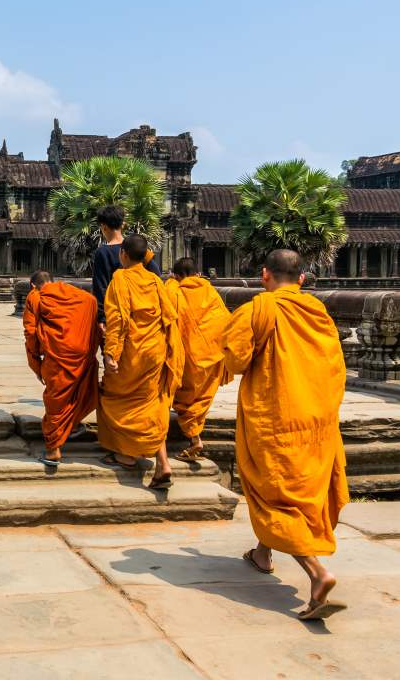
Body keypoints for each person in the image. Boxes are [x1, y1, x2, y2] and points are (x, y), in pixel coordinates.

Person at [223, 249, 349, 621]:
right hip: (316, 420)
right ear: (302, 280)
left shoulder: (256, 310)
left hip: (274, 418)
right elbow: (335, 367)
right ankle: (263, 554)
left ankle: (317, 573)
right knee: (287, 493)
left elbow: (235, 362)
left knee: (275, 494)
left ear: (264, 275)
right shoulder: (318, 313)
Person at [98, 235, 183, 489]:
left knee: (116, 399)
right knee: (153, 403)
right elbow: (169, 317)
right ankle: (163, 463)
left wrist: (111, 352)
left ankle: (126, 453)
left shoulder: (120, 280)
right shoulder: (156, 281)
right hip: (155, 351)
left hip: (131, 354)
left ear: (122, 253)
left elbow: (118, 320)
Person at [22, 270, 100, 466]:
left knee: (55, 402)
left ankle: (53, 450)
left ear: (33, 285)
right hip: (82, 356)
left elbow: (31, 333)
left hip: (57, 357)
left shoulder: (35, 297)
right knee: (80, 394)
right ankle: (70, 426)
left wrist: (35, 364)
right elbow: (93, 307)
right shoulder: (81, 296)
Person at [165, 257, 232, 461]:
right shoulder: (211, 291)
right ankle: (194, 436)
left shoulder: (174, 290)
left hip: (189, 358)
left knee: (186, 398)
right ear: (197, 274)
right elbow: (224, 320)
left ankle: (195, 439)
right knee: (200, 398)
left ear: (176, 276)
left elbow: (169, 320)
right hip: (211, 355)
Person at [91, 205, 160, 322]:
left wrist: (102, 318)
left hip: (117, 312)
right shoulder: (136, 246)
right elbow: (156, 276)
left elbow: (101, 288)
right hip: (143, 311)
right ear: (122, 224)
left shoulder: (102, 252)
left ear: (103, 227)